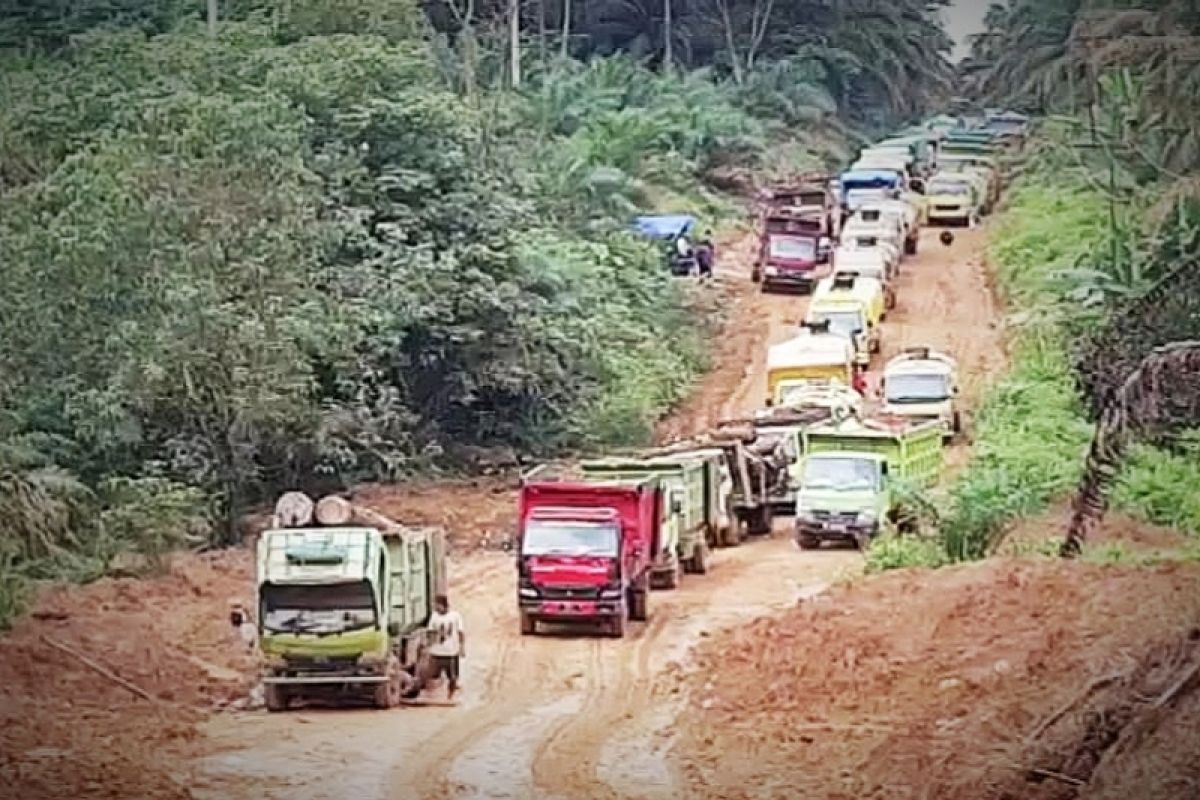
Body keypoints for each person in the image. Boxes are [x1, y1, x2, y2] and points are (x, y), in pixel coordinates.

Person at [427, 594, 465, 701]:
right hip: (436, 651)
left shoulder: (455, 616)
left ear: (443, 605)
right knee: (432, 675)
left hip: (451, 651)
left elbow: (461, 632)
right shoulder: (434, 616)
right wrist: (429, 643)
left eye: (437, 605)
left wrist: (462, 647)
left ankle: (450, 695)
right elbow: (430, 631)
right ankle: (434, 695)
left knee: (452, 676)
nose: (436, 607)